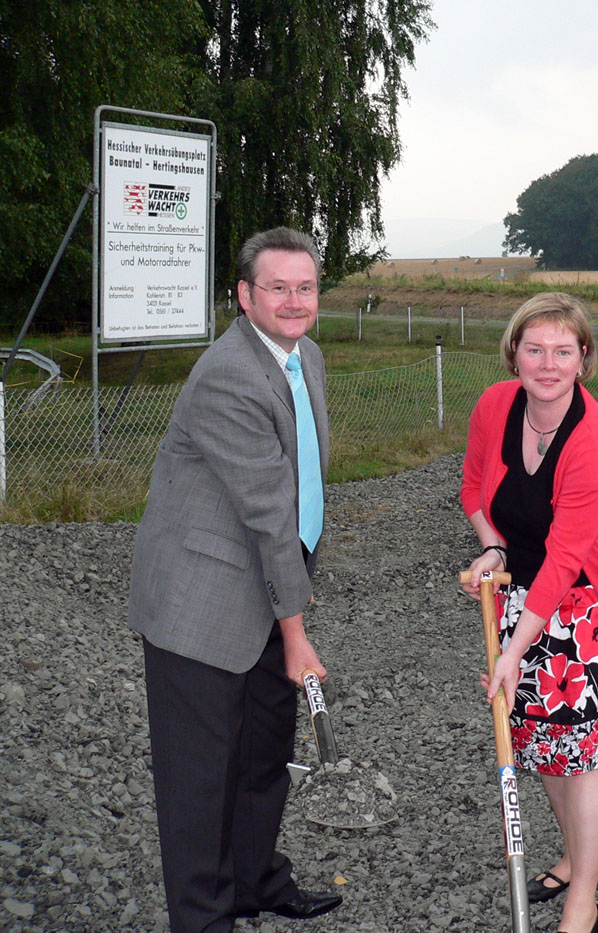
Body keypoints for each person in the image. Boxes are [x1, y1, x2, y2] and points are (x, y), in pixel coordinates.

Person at [128, 227, 341, 930]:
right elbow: (269, 511)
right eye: (277, 288)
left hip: (269, 592)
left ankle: (254, 882)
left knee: (263, 754)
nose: (294, 301)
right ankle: (203, 918)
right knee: (200, 778)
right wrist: (297, 632)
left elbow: (302, 483)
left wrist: (290, 608)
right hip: (202, 605)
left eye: (305, 287)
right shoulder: (229, 373)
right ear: (245, 295)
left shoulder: (303, 355)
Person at [461, 292, 598, 933]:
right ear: (514, 353)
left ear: (583, 359)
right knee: (542, 743)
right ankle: (574, 857)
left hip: (597, 601)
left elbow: (567, 558)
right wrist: (492, 546)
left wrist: (513, 652)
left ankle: (584, 901)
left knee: (585, 751)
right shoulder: (496, 405)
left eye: (563, 351)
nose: (548, 365)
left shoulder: (596, 441)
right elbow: (473, 490)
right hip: (525, 593)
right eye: (535, 349)